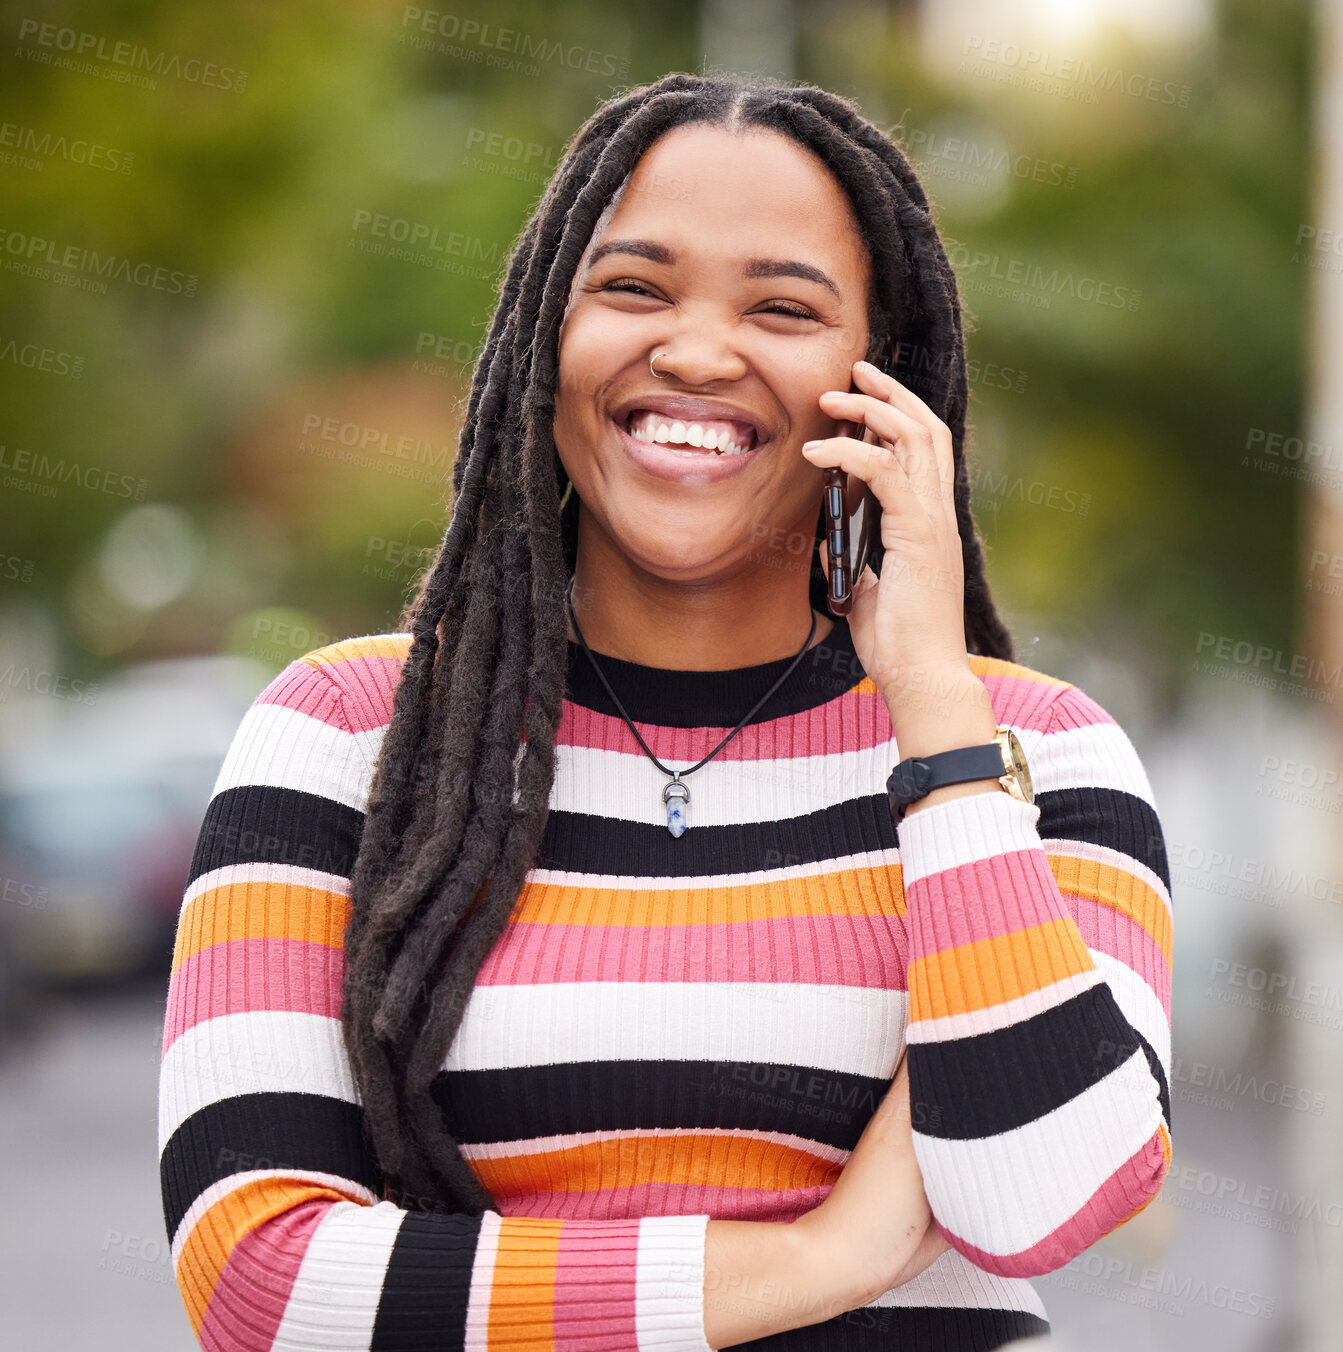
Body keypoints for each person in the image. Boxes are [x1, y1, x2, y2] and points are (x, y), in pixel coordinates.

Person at [158, 71, 1173, 1351]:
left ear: (880, 387)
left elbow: (1047, 1199)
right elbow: (262, 1282)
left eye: (783, 307)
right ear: (545, 339)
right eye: (634, 288)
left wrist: (933, 714)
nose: (695, 351)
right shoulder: (344, 737)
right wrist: (833, 1249)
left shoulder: (1035, 748)